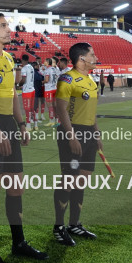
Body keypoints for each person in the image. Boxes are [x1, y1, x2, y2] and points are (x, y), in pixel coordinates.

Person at [0, 12, 46, 263]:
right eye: (3, 25)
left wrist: (22, 123)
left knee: (16, 187)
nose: (9, 29)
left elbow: (13, 93)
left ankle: (18, 243)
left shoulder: (7, 58)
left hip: (9, 125)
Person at [53, 42, 101, 246]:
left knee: (82, 179)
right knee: (69, 180)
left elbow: (92, 110)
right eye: (92, 54)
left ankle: (75, 223)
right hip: (73, 132)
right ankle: (58, 227)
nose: (95, 57)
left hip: (89, 133)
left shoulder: (90, 79)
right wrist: (71, 136)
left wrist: (97, 134)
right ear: (82, 59)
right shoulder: (67, 79)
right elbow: (60, 109)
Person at [18, 54, 36, 130]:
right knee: (31, 108)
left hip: (27, 91)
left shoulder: (24, 69)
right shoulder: (31, 67)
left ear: (23, 60)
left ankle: (28, 125)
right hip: (32, 89)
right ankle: (35, 124)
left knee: (27, 109)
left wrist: (19, 84)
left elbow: (24, 79)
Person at [43, 57, 60, 125]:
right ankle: (57, 120)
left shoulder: (48, 70)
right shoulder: (55, 69)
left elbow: (46, 80)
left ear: (47, 62)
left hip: (49, 89)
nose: (44, 62)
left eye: (45, 61)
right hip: (54, 88)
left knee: (50, 106)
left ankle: (51, 121)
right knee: (55, 105)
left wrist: (42, 82)